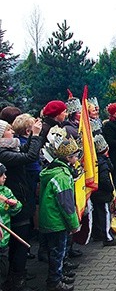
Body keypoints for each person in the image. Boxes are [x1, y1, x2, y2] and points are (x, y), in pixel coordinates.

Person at [0, 118, 43, 291]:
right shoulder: (3, 153)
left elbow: (25, 150)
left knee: (20, 241)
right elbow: (29, 156)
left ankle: (19, 273)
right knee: (19, 243)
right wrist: (37, 135)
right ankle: (17, 279)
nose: (12, 131)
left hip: (21, 196)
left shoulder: (10, 147)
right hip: (15, 199)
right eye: (8, 129)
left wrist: (33, 135)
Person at [38, 126, 80, 291]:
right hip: (56, 220)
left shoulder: (53, 170)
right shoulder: (62, 176)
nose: (77, 158)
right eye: (76, 156)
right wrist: (74, 223)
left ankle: (59, 275)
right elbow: (66, 204)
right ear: (68, 158)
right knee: (57, 252)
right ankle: (54, 281)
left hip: (49, 218)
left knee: (56, 251)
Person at [89, 135, 116, 247]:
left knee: (98, 214)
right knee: (105, 213)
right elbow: (105, 179)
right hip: (102, 193)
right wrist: (111, 189)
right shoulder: (102, 163)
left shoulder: (97, 161)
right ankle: (107, 237)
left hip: (97, 193)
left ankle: (98, 233)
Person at [0, 162, 23, 279]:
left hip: (3, 239)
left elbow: (16, 209)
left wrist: (14, 205)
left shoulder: (6, 191)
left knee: (3, 268)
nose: (5, 177)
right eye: (1, 175)